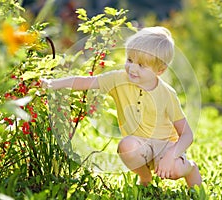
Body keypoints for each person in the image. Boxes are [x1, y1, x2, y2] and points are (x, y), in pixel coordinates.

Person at [41, 26, 202, 188]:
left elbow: (186, 134)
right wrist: (53, 84)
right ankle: (145, 178)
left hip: (166, 146)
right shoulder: (118, 79)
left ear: (160, 70)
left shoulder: (167, 94)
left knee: (174, 170)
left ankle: (190, 169)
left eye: (141, 65)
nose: (132, 68)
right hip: (140, 144)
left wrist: (170, 155)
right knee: (126, 146)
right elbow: (85, 82)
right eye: (130, 60)